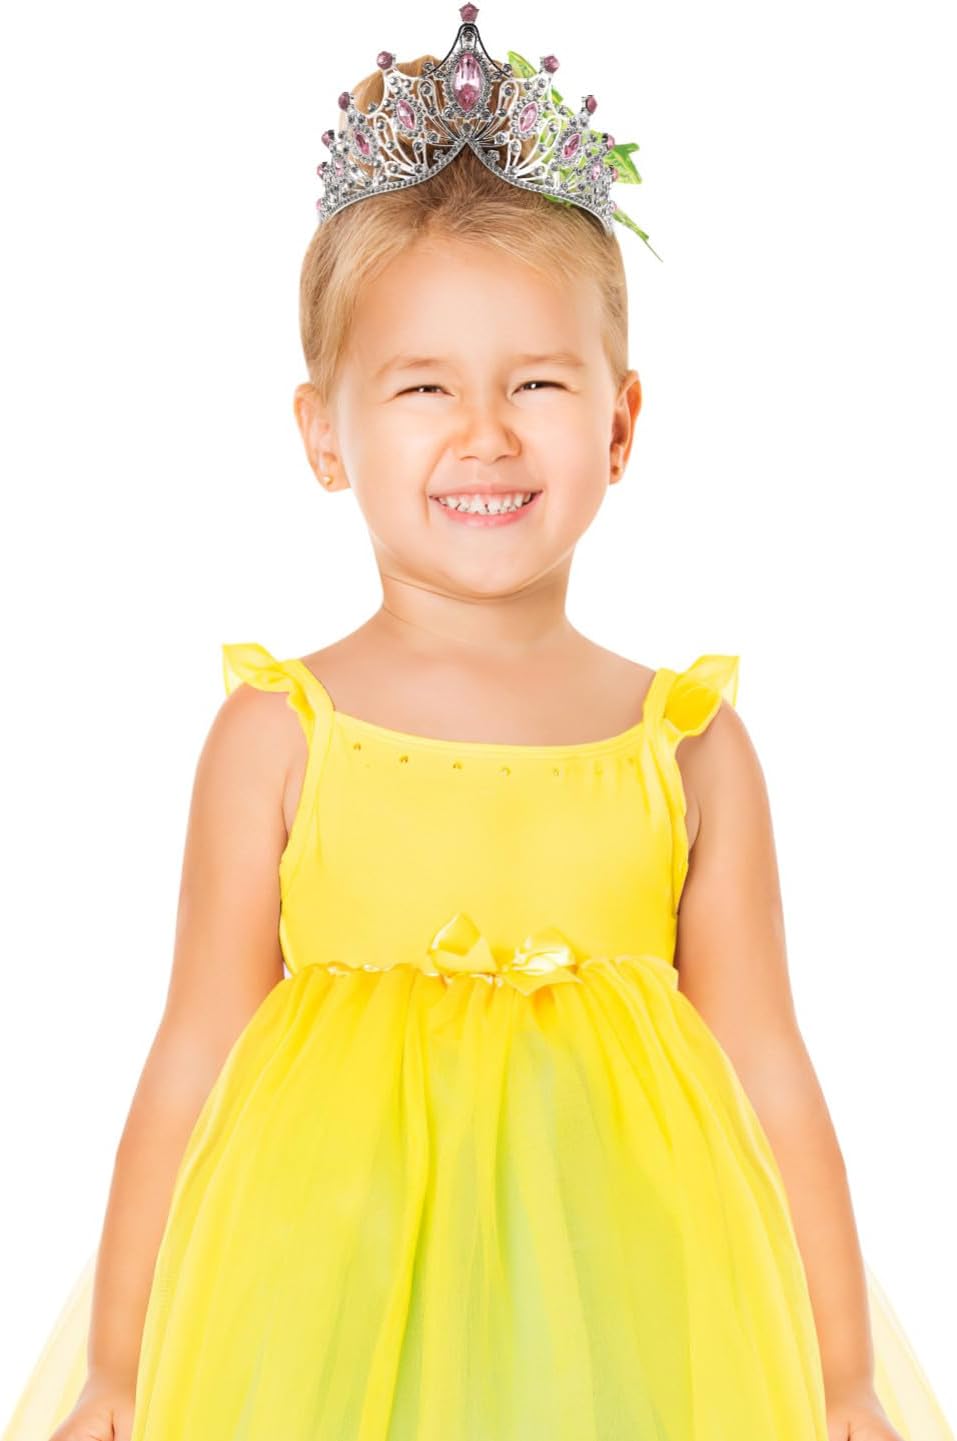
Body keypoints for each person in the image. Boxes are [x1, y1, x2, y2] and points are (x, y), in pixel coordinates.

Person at [2, 7, 953, 1440]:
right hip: (326, 1305)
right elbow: (194, 1051)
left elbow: (766, 1062)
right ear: (325, 433)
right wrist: (124, 1366)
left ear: (620, 424)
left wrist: (835, 1377)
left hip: (627, 1304)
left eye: (539, 383)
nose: (486, 433)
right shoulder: (279, 735)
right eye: (423, 386)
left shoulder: (686, 744)